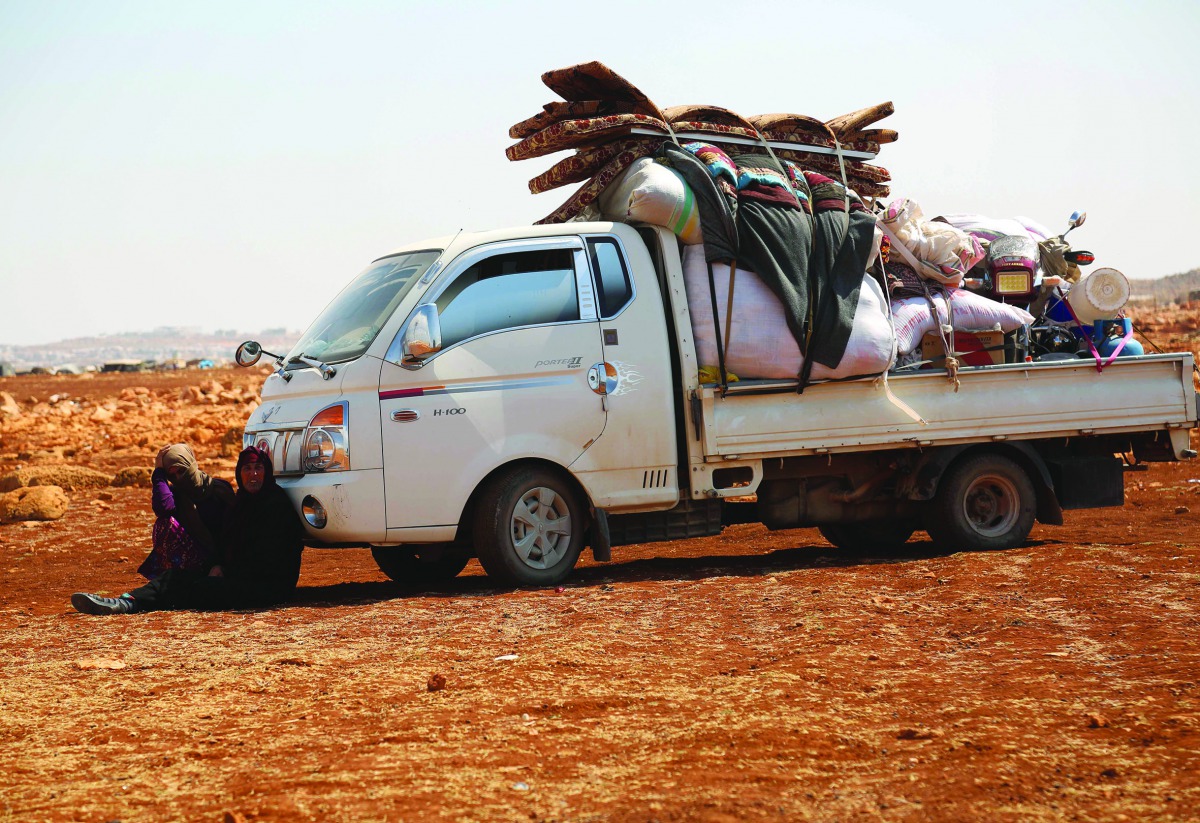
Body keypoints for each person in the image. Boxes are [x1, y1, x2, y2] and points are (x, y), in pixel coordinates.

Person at [72, 447, 304, 615]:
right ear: (239, 473)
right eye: (247, 469)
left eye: (258, 468)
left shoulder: (274, 504)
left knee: (198, 589)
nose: (253, 474)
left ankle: (138, 604)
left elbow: (272, 555)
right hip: (236, 575)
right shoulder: (241, 504)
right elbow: (227, 541)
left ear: (267, 471)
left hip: (268, 587)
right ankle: (124, 602)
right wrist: (220, 566)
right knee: (175, 578)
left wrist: (230, 571)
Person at [139, 443, 235, 579]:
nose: (178, 478)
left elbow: (235, 531)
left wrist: (222, 565)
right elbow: (163, 509)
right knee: (164, 525)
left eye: (181, 471)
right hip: (198, 561)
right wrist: (159, 473)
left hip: (225, 560)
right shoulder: (176, 495)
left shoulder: (218, 489)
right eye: (172, 475)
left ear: (191, 464)